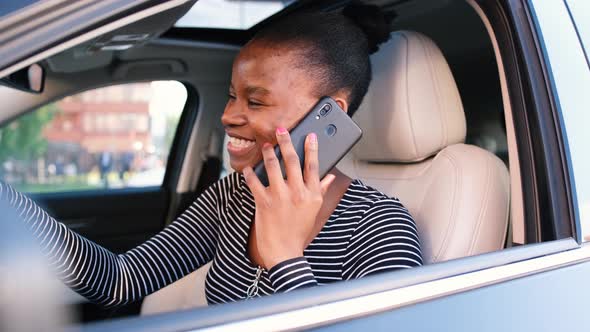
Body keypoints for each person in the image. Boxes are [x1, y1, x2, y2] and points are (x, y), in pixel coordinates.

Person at [0, 3, 422, 308]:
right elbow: (120, 281)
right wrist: (11, 208)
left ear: (329, 114)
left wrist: (286, 259)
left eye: (255, 103)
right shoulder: (233, 197)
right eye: (232, 96)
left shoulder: (380, 226)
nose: (227, 116)